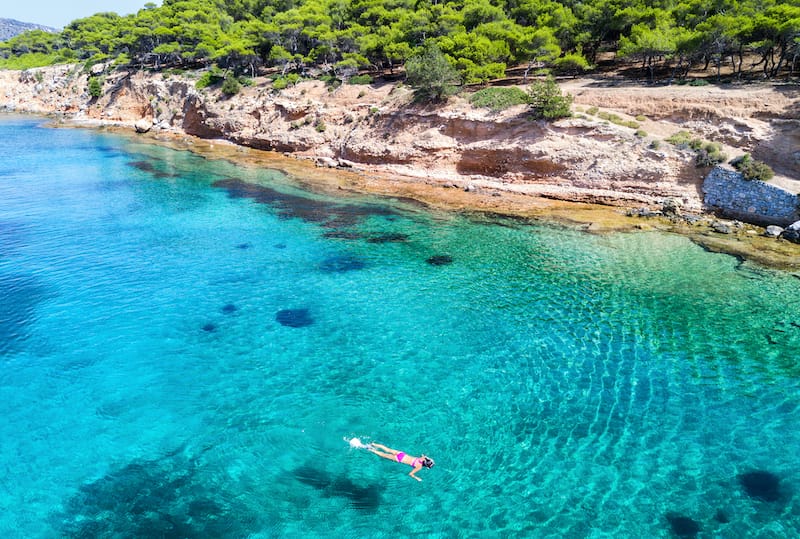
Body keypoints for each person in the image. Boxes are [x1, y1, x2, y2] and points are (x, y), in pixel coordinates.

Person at [367, 442, 434, 481]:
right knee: (383, 455)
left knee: (387, 449)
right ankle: (371, 450)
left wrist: (427, 458)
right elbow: (410, 474)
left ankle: (373, 444)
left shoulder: (423, 458)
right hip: (400, 459)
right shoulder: (419, 467)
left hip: (402, 454)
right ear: (427, 467)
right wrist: (417, 478)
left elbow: (423, 456)